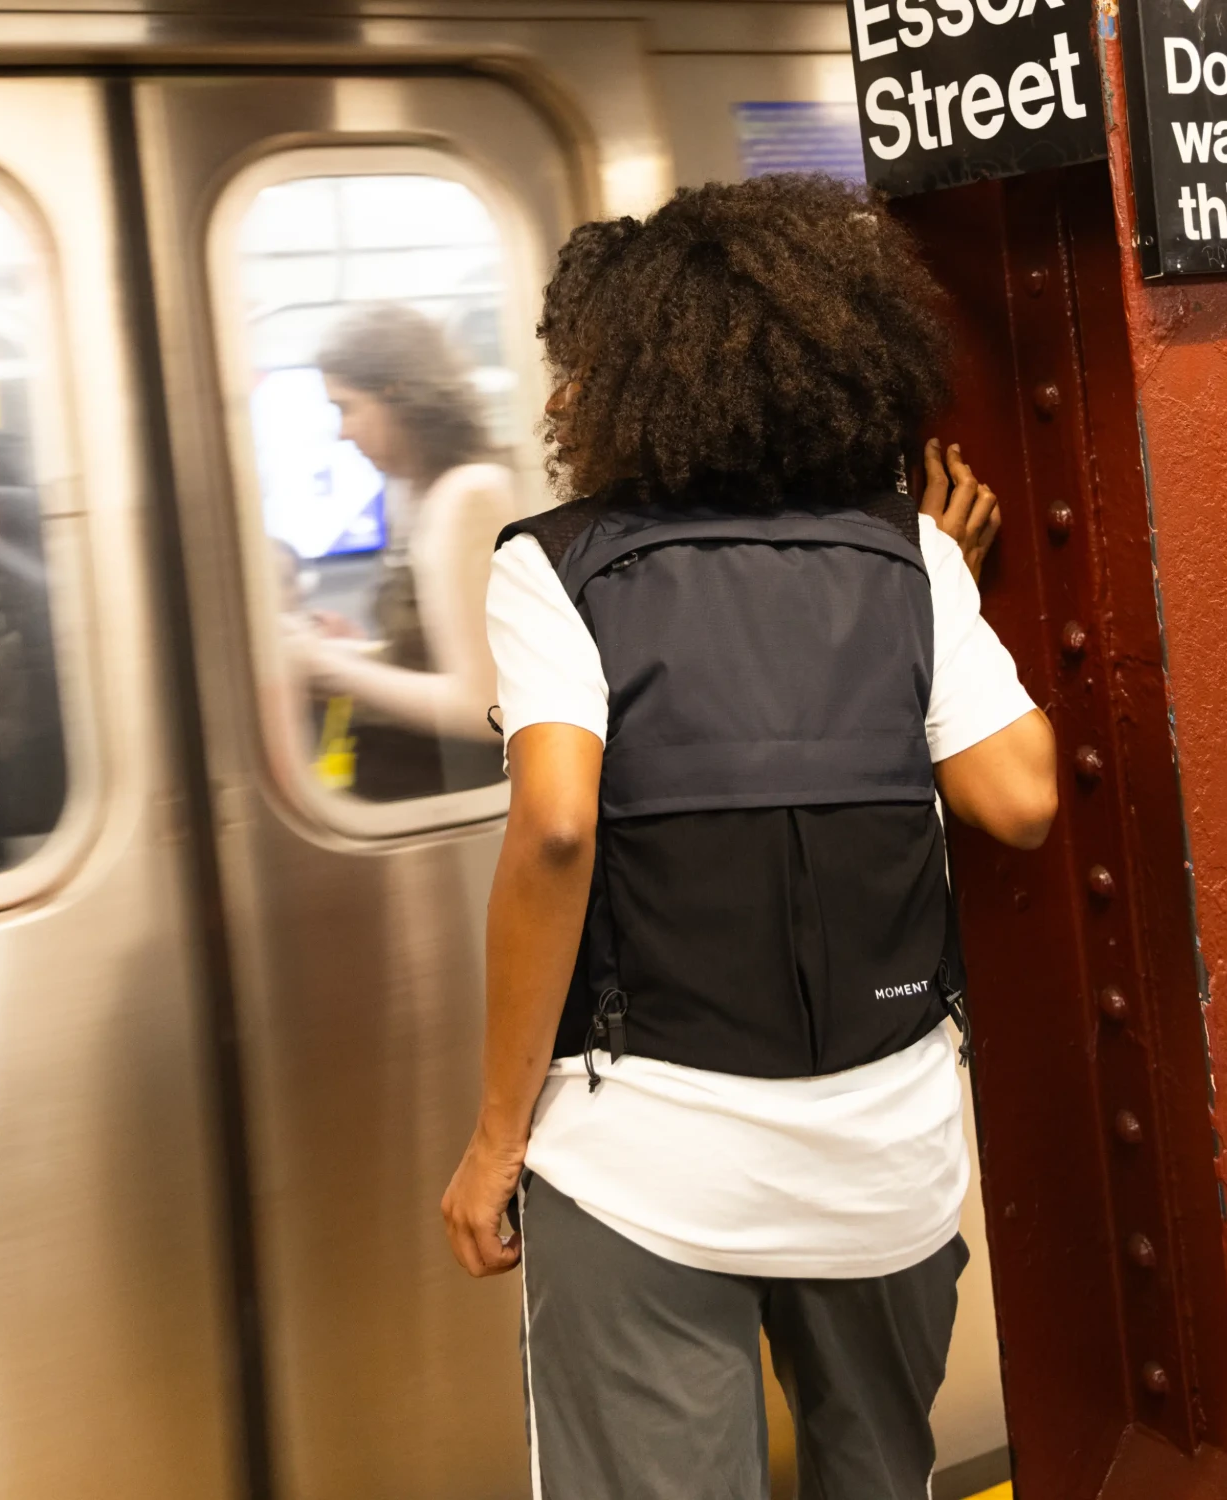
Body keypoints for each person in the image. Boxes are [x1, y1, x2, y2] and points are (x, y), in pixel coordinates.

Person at [440, 175, 1058, 1500]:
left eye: (579, 369)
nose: (562, 399)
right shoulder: (910, 558)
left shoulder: (556, 564)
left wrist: (496, 1141)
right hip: (884, 1161)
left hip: (649, 1160)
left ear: (636, 380)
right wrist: (935, 606)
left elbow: (557, 828)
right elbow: (1020, 796)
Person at [285, 303, 515, 801]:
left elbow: (485, 706)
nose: (342, 432)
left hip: (458, 795)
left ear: (397, 393)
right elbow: (438, 655)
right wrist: (352, 653)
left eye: (346, 407)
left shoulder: (468, 496)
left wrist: (328, 667)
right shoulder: (411, 494)